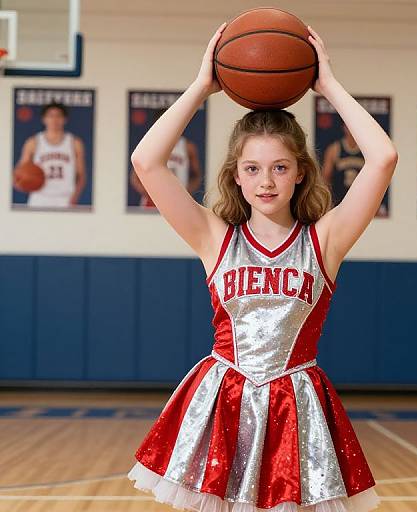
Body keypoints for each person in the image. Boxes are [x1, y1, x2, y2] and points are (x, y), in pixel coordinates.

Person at [127, 22, 397, 512]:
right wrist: (202, 86)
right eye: (252, 168)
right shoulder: (214, 237)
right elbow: (146, 161)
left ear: (300, 174)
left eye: (279, 167)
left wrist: (328, 85)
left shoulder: (325, 240)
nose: (266, 181)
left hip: (297, 402)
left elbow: (383, 158)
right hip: (223, 396)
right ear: (236, 175)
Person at [15, 102, 87, 208]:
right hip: (39, 197)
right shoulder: (33, 142)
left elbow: (81, 175)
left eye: (58, 116)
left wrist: (74, 197)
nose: (54, 120)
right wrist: (23, 182)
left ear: (65, 119)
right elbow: (19, 172)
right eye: (50, 116)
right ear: (44, 119)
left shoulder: (75, 142)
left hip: (65, 197)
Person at [130, 108, 203, 208]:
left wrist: (186, 192)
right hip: (152, 202)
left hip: (178, 200)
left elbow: (197, 176)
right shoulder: (149, 145)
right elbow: (135, 177)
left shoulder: (187, 146)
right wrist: (150, 193)